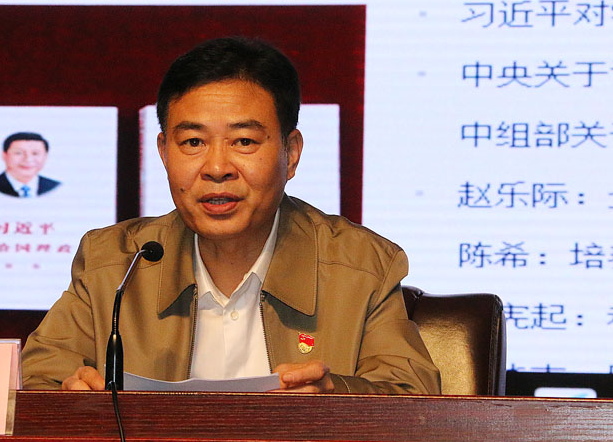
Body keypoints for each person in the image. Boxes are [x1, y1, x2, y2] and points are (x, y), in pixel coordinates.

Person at [22, 37, 440, 394]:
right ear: (164, 152)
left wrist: (337, 398)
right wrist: (73, 399)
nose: (217, 167)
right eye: (193, 142)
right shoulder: (113, 263)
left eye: (243, 141)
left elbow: (412, 398)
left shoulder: (362, 265)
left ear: (291, 153)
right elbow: (34, 381)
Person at [0, 132, 61, 198]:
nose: (28, 159)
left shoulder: (54, 186)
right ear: (4, 156)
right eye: (18, 153)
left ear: (45, 157)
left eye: (35, 153)